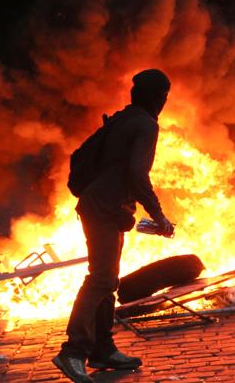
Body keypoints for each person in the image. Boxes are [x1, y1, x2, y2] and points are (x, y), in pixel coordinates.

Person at [53, 69, 177, 383]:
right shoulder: (145, 124)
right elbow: (137, 174)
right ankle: (73, 350)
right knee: (102, 279)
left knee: (109, 279)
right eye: (164, 96)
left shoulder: (126, 117)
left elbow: (117, 169)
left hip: (104, 206)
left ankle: (102, 349)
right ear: (158, 97)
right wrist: (158, 215)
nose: (164, 102)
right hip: (103, 210)